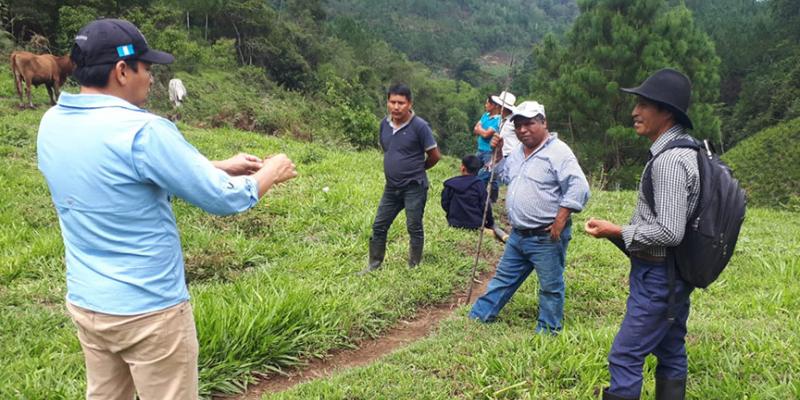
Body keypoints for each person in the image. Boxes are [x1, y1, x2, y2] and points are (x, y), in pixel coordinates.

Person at [37, 19, 297, 399]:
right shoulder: (143, 131)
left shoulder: (52, 123)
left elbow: (115, 174)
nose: (153, 79)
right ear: (122, 71)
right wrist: (272, 172)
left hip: (89, 304)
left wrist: (217, 165)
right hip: (149, 313)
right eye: (148, 68)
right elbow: (224, 199)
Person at [584, 68, 699, 400]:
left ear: (667, 112)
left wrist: (616, 230)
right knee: (671, 350)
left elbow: (669, 231)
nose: (635, 112)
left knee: (625, 356)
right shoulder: (688, 150)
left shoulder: (668, 162)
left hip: (658, 278)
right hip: (675, 275)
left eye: (645, 104)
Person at [468, 100, 590, 334]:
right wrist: (499, 151)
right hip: (518, 234)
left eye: (529, 124)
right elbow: (501, 175)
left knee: (550, 285)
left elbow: (579, 187)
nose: (523, 129)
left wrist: (561, 219)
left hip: (545, 235)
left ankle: (548, 330)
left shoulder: (558, 152)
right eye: (519, 125)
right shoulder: (517, 153)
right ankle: (478, 317)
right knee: (503, 279)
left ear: (544, 123)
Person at [361, 83, 441, 274]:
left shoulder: (420, 127)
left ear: (409, 104)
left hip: (414, 187)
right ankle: (374, 265)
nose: (396, 107)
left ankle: (414, 267)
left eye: (401, 103)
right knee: (379, 225)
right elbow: (387, 148)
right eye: (392, 102)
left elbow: (435, 155)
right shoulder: (384, 124)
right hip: (391, 187)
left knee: (413, 226)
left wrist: (417, 169)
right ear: (387, 102)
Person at [441, 155, 508, 242]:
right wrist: (490, 223)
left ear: (462, 168)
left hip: (454, 223)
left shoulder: (451, 184)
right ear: (478, 170)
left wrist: (452, 215)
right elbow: (486, 206)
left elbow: (445, 203)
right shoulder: (479, 185)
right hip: (475, 224)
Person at [474, 94, 502, 201]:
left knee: (489, 175)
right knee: (475, 171)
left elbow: (486, 134)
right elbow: (475, 129)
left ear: (494, 105)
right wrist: (482, 131)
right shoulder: (485, 115)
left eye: (487, 103)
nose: (485, 105)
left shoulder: (498, 120)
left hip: (489, 152)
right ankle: (480, 195)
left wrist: (480, 130)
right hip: (480, 149)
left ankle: (491, 197)